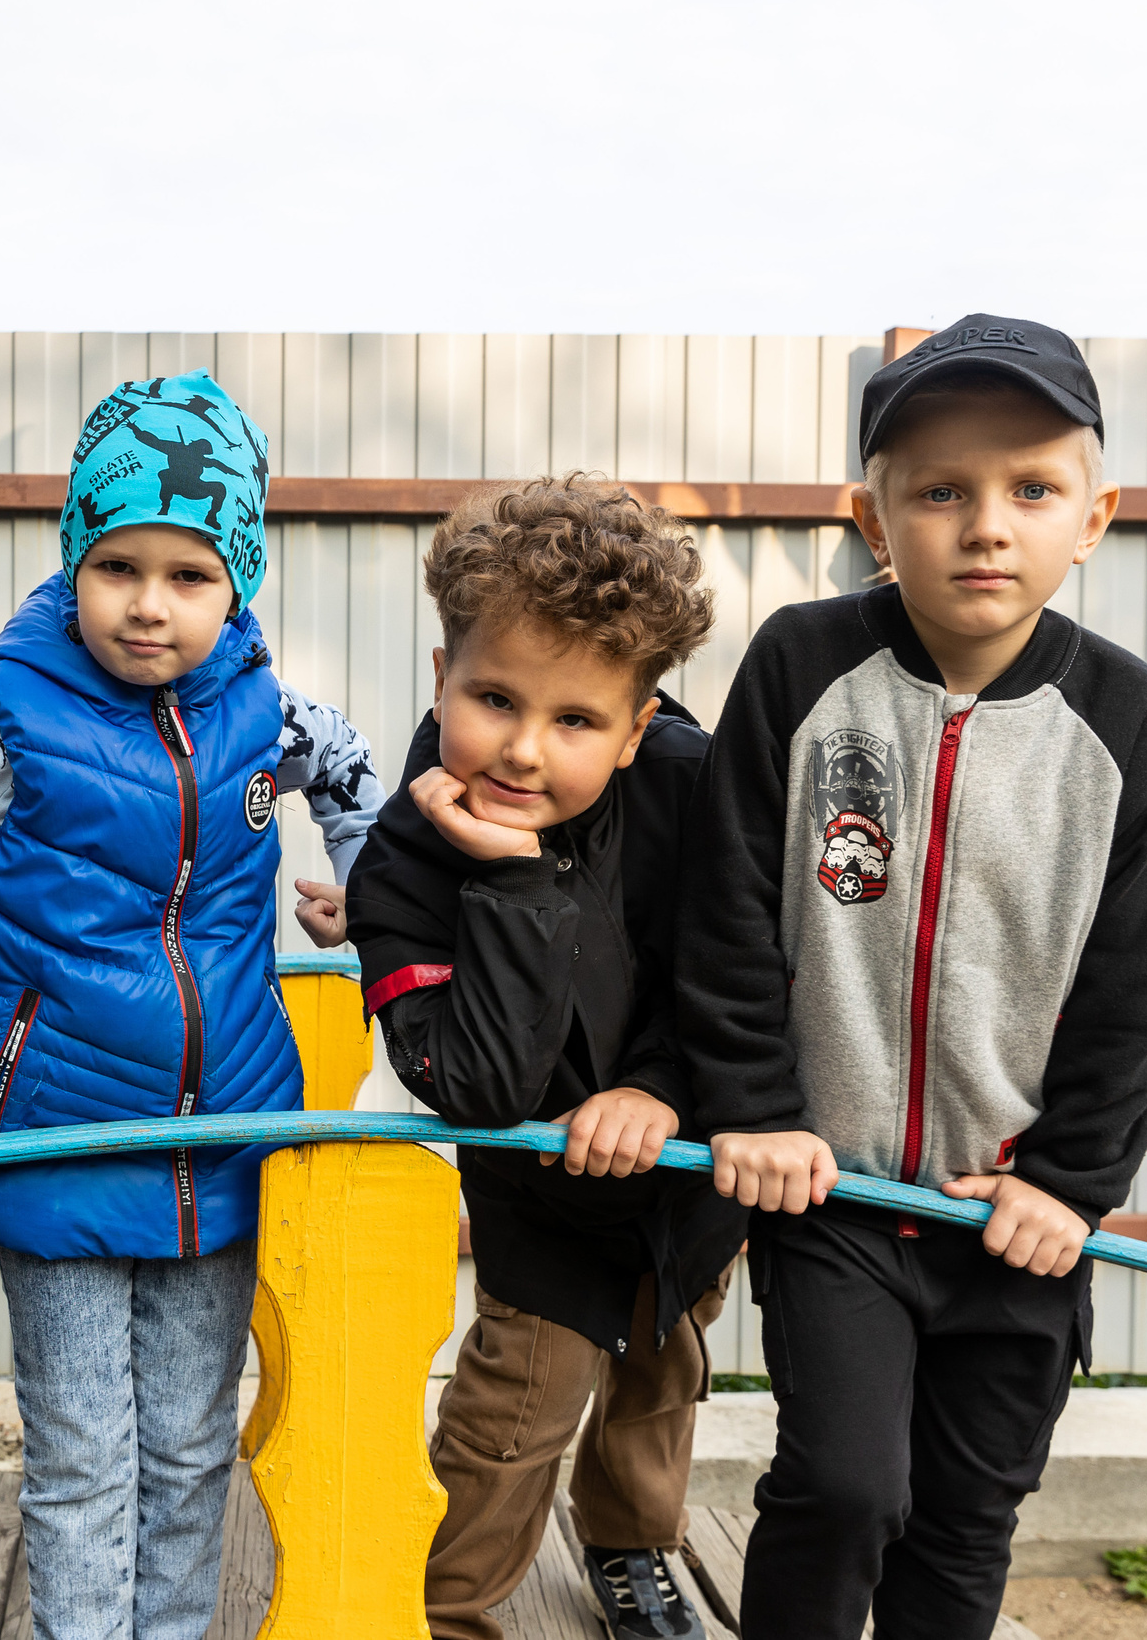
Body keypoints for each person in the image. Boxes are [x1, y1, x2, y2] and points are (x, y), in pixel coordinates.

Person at [0, 370, 381, 1640]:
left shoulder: (263, 712)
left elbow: (369, 772)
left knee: (193, 1447)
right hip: (58, 1137)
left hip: (220, 1137)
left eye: (190, 575)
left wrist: (369, 903)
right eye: (118, 567)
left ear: (240, 579)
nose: (150, 605)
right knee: (89, 1457)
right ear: (74, 563)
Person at [674, 316, 1147, 1640]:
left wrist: (1069, 1179)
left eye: (1031, 488)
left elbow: (1135, 977)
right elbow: (727, 902)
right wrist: (753, 1104)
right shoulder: (800, 667)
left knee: (964, 1521)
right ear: (873, 514)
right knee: (846, 1484)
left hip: (1009, 1214)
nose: (985, 524)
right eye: (940, 489)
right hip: (836, 1190)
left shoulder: (1129, 722)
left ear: (1096, 515)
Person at [345, 477, 739, 1640]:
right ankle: (444, 1608)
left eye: (575, 720)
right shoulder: (404, 872)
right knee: (512, 1415)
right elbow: (477, 1086)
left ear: (637, 726)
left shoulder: (695, 793)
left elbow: (740, 980)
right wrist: (510, 876)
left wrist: (661, 1092)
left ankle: (629, 1547)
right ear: (439, 679)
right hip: (542, 1209)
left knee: (661, 1382)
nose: (521, 750)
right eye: (493, 699)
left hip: (684, 1191)